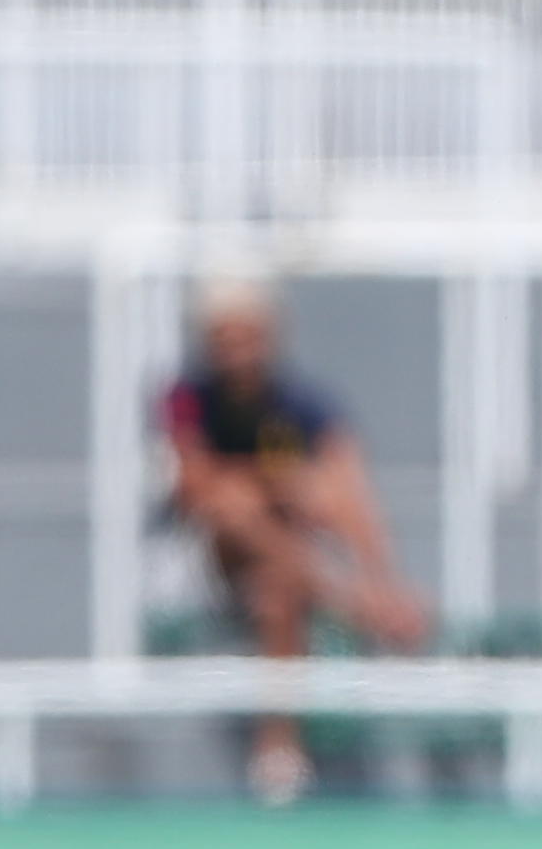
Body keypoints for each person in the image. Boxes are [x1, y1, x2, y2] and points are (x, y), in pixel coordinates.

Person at [160, 275, 434, 803]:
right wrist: (272, 481)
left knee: (278, 589)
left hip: (290, 565)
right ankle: (356, 606)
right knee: (234, 503)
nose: (237, 353)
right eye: (225, 339)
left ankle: (279, 745)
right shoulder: (188, 398)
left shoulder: (303, 404)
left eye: (248, 337)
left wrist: (383, 578)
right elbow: (196, 488)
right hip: (217, 561)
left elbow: (350, 494)